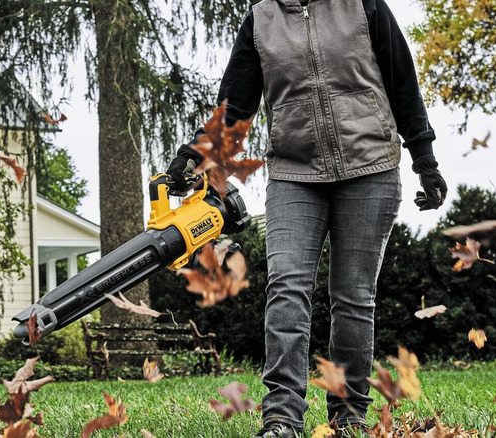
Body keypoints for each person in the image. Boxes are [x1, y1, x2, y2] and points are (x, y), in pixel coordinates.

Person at [167, 0, 447, 436]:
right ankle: (282, 416)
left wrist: (424, 160)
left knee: (352, 295)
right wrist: (198, 156)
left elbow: (401, 81)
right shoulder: (261, 18)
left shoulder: (362, 4)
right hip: (294, 173)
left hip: (370, 166)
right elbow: (235, 107)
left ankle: (348, 414)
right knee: (286, 285)